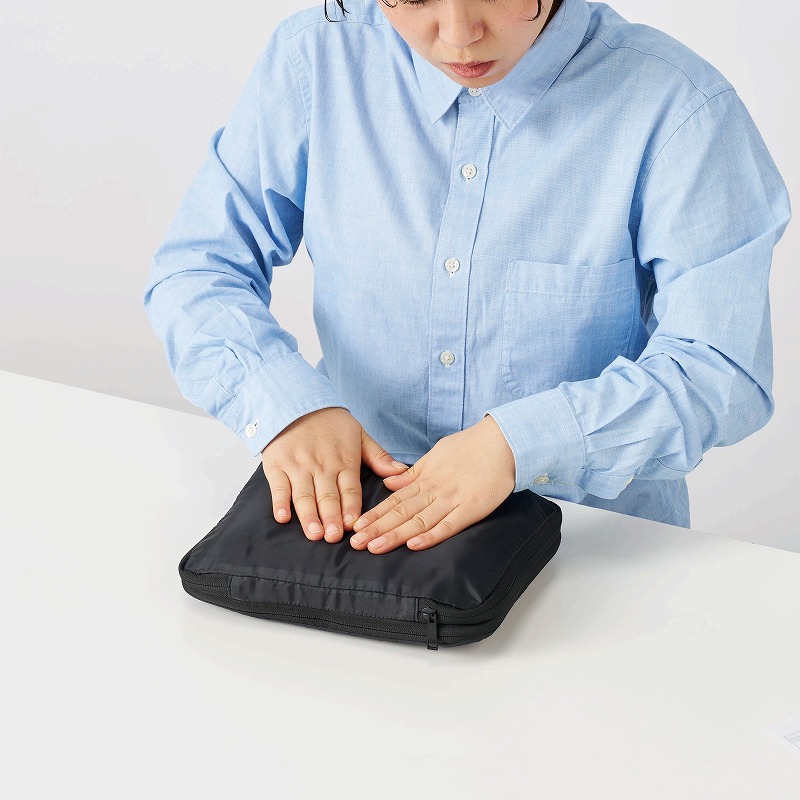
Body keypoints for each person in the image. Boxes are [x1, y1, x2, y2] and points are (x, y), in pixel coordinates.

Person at [143, 0, 791, 555]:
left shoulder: (679, 106)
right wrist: (288, 407)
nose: (458, 34)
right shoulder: (317, 59)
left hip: (591, 551)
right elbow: (198, 268)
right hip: (352, 535)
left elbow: (721, 368)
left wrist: (522, 444)